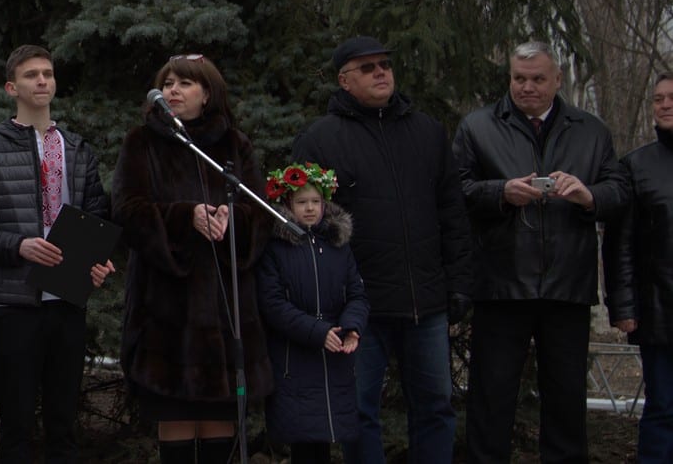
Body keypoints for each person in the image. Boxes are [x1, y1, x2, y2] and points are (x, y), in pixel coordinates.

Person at [291, 36, 471, 464]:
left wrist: (460, 282)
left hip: (424, 301)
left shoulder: (427, 132)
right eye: (367, 67)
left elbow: (452, 212)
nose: (380, 73)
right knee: (358, 412)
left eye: (385, 65)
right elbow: (304, 224)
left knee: (435, 409)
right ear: (344, 80)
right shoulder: (320, 139)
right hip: (358, 307)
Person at [454, 40, 630, 463]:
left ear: (557, 80)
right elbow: (455, 190)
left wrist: (589, 197)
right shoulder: (478, 127)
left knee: (566, 402)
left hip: (567, 285)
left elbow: (619, 190)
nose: (527, 87)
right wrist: (501, 192)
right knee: (491, 400)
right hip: (501, 284)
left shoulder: (591, 130)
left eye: (537, 79)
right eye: (519, 79)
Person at [0, 45, 114, 464]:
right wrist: (18, 245)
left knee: (64, 424)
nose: (41, 81)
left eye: (47, 73)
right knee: (17, 425)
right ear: (12, 88)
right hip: (15, 302)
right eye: (31, 75)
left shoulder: (78, 150)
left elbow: (98, 217)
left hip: (67, 298)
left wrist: (99, 262)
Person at [113, 53, 274, 464]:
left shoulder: (233, 144)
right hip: (166, 306)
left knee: (220, 416)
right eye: (168, 83)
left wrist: (230, 218)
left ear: (208, 93)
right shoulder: (142, 143)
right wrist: (186, 217)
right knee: (177, 415)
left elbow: (262, 215)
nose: (173, 90)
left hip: (224, 311)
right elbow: (128, 213)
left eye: (185, 83)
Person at [257, 162, 369, 464]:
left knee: (324, 438)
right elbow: (273, 304)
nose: (309, 209)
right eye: (301, 202)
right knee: (303, 440)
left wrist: (352, 326)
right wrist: (317, 332)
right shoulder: (276, 247)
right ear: (288, 204)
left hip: (334, 357)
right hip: (295, 358)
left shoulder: (337, 246)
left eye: (315, 202)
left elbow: (357, 292)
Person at [604, 72, 673, 464]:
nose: (664, 105)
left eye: (671, 98)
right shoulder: (636, 166)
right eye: (658, 99)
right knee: (663, 407)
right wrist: (624, 307)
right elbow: (620, 244)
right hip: (660, 310)